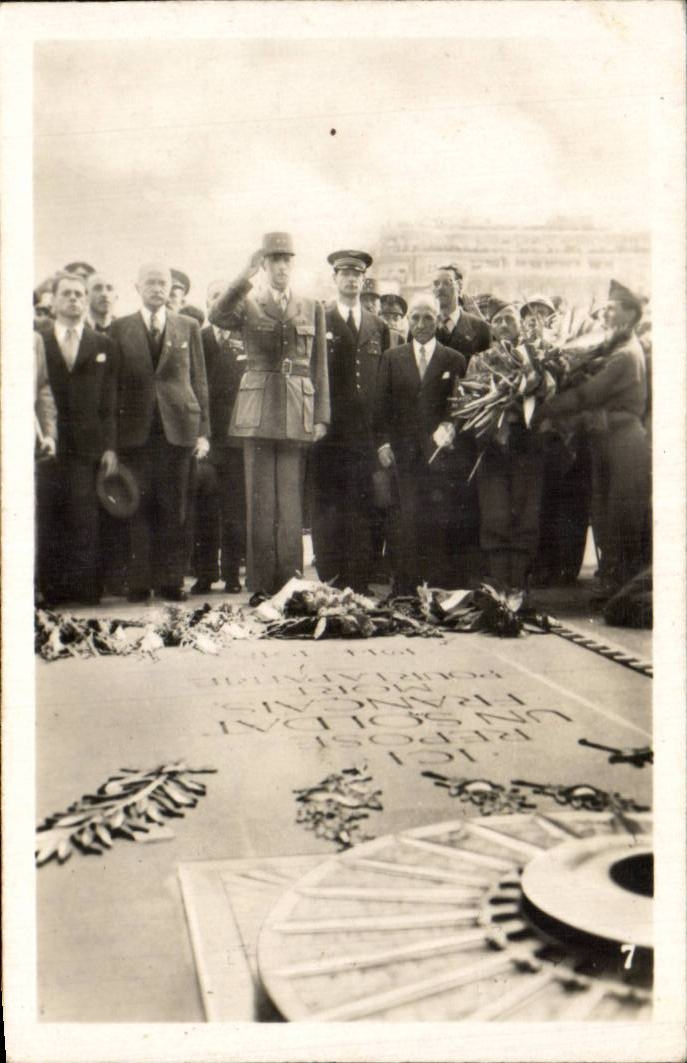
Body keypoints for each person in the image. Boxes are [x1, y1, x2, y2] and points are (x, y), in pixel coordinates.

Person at [209, 232, 329, 596]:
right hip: (258, 410)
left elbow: (319, 364)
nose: (281, 267)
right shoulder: (248, 301)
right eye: (274, 260)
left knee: (290, 504)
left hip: (296, 408)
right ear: (264, 265)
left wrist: (321, 414)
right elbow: (216, 314)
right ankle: (261, 583)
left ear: (293, 264)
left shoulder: (311, 306)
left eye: (286, 260)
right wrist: (243, 275)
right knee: (260, 502)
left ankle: (290, 582)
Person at [538, 279, 650, 600]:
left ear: (629, 316)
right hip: (609, 441)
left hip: (624, 444)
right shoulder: (617, 348)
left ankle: (620, 591)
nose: (605, 317)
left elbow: (588, 394)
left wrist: (543, 408)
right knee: (606, 515)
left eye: (611, 311)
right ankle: (615, 588)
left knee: (619, 516)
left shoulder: (625, 355)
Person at [111, 262, 209, 602]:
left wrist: (203, 431)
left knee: (175, 507)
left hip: (179, 430)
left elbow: (199, 379)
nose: (157, 288)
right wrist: (112, 439)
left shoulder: (188, 326)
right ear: (137, 287)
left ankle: (171, 581)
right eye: (150, 282)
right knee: (138, 506)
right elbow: (112, 386)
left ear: (170, 288)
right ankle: (138, 582)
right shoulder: (119, 328)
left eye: (162, 283)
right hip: (135, 434)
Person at [374, 292, 466, 593]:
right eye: (415, 317)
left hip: (439, 454)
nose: (422, 323)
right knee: (404, 519)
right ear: (407, 321)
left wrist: (451, 425)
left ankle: (436, 585)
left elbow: (460, 406)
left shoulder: (454, 359)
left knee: (438, 517)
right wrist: (383, 444)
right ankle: (404, 586)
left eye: (428, 317)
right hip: (403, 453)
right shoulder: (391, 358)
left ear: (438, 320)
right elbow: (381, 407)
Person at [310, 250, 391, 592]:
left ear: (364, 280)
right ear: (334, 279)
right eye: (344, 274)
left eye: (357, 274)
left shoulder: (379, 325)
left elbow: (384, 380)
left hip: (365, 432)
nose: (351, 279)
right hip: (329, 429)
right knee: (328, 504)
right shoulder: (320, 318)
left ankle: (359, 578)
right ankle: (331, 575)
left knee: (364, 504)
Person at [41, 272, 118, 605]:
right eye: (66, 294)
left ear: (85, 301)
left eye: (78, 294)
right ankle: (52, 589)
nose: (73, 299)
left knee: (85, 517)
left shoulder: (103, 345)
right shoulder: (38, 340)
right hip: (50, 442)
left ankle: (87, 589)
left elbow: (110, 403)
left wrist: (110, 447)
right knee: (50, 515)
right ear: (54, 300)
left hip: (89, 446)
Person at [465, 306, 545, 594]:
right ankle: (499, 583)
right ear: (491, 328)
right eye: (497, 320)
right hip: (492, 445)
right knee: (495, 513)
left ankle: (520, 583)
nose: (503, 324)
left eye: (508, 319)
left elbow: (546, 395)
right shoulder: (480, 360)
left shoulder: (534, 358)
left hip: (527, 444)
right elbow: (467, 398)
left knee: (525, 512)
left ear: (519, 325)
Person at [191, 279, 247, 594]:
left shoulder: (245, 340)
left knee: (235, 511)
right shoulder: (198, 339)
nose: (220, 304)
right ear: (208, 304)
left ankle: (231, 575)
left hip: (237, 440)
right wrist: (201, 434)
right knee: (205, 509)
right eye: (214, 297)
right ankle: (204, 573)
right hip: (208, 440)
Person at [432, 265, 491, 363]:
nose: (440, 288)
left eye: (447, 283)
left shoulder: (480, 327)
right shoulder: (422, 326)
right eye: (436, 283)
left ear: (459, 286)